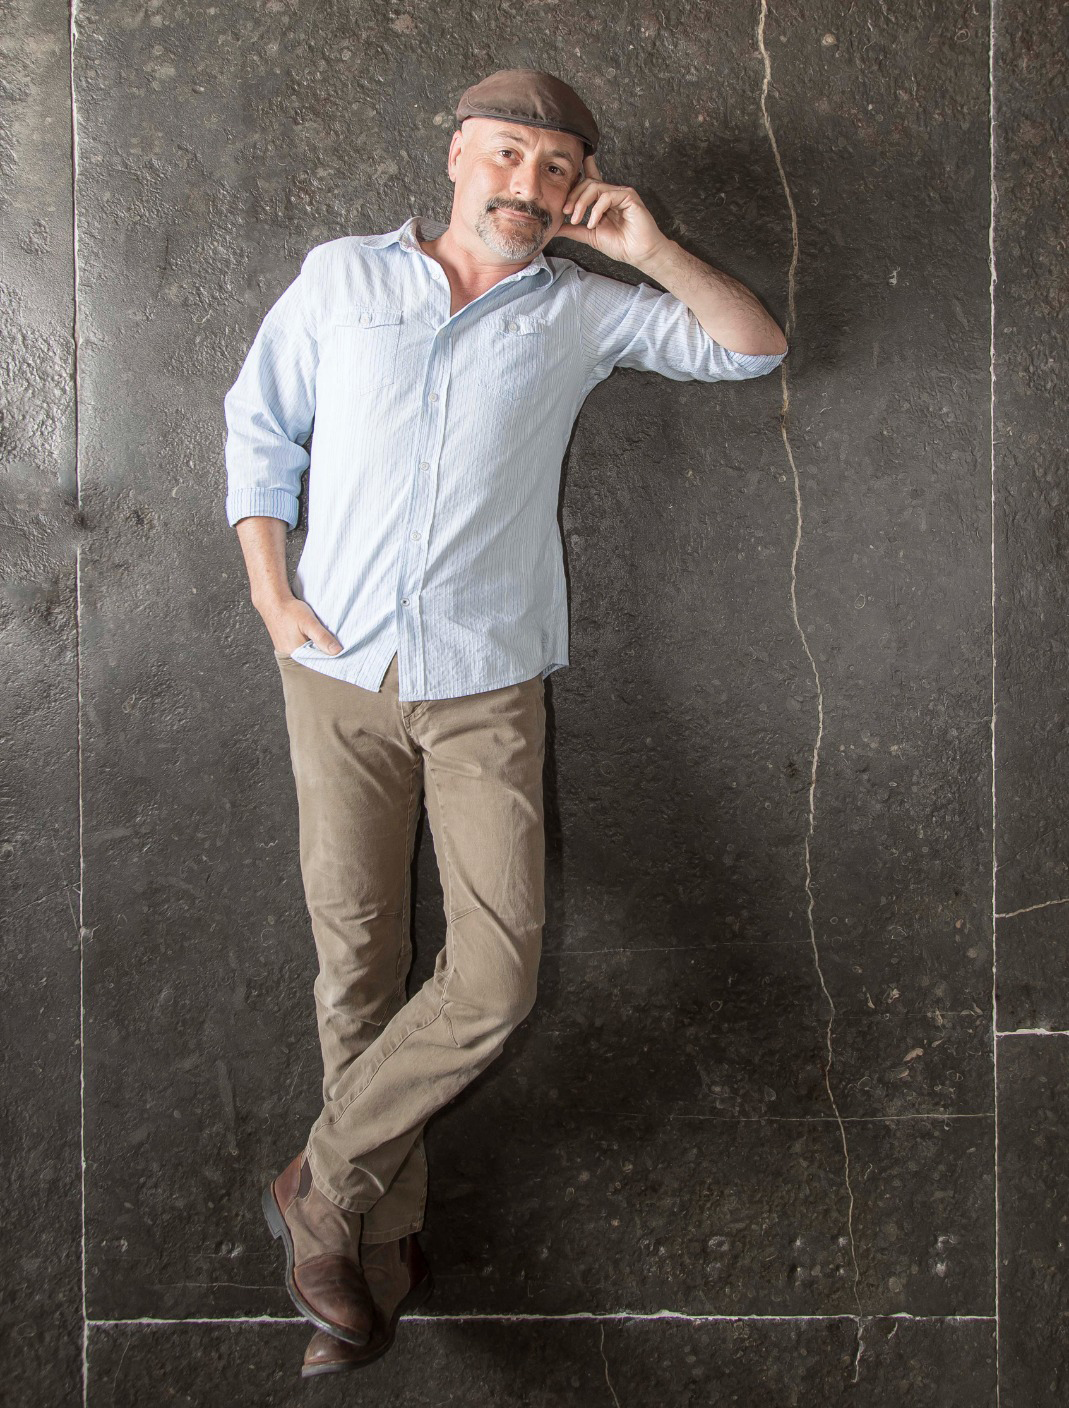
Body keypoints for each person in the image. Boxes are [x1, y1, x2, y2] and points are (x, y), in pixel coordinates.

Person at [223, 67, 788, 1377]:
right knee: (355, 960)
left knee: (492, 976)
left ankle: (317, 1183)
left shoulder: (582, 311)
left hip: (485, 683)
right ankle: (372, 1247)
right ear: (457, 153)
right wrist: (271, 597)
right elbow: (261, 432)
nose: (527, 184)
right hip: (335, 674)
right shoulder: (341, 279)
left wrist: (650, 250)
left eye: (555, 167)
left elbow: (750, 347)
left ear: (576, 186)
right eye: (508, 156)